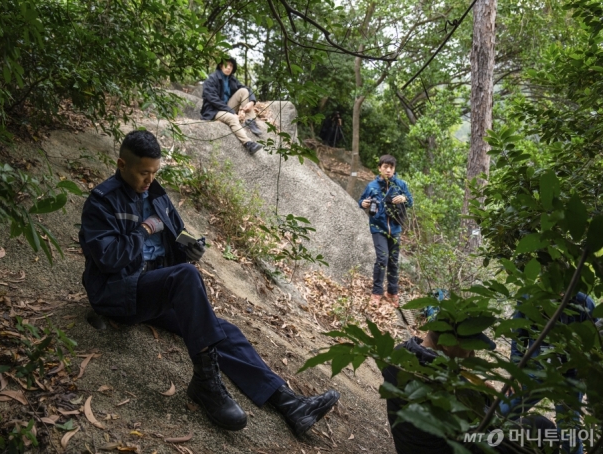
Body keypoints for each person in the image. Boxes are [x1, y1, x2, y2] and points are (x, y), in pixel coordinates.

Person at [79, 130, 339, 434]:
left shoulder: (156, 194)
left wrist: (190, 248)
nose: (149, 180)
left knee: (222, 329)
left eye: (154, 172)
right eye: (143, 173)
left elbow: (176, 238)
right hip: (118, 292)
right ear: (122, 165)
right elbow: (108, 257)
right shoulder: (102, 201)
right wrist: (144, 231)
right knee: (187, 278)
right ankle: (205, 383)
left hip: (155, 288)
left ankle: (288, 403)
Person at [381, 311, 557, 454]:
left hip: (416, 446)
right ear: (448, 344)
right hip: (456, 448)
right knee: (542, 428)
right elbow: (486, 418)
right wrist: (482, 395)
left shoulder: (401, 354)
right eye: (470, 347)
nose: (472, 355)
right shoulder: (444, 382)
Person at [499, 292, 599, 454]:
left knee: (569, 432)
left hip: (569, 376)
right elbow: (519, 337)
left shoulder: (584, 302)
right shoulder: (529, 298)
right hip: (534, 370)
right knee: (504, 412)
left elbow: (592, 342)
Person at [358, 155, 413, 308]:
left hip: (395, 228)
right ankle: (376, 293)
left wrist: (403, 198)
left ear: (394, 169)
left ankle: (392, 292)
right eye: (385, 167)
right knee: (382, 259)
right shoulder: (372, 186)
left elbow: (410, 201)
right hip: (378, 228)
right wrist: (363, 203)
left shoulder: (401, 185)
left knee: (394, 261)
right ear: (379, 168)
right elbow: (361, 202)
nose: (388, 170)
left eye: (391, 167)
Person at [200, 56, 264, 155]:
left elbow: (246, 89)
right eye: (227, 64)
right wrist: (232, 112)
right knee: (232, 118)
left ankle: (249, 120)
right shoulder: (211, 79)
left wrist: (252, 102)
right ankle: (248, 143)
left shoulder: (231, 79)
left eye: (231, 65)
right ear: (221, 65)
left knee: (243, 91)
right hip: (214, 111)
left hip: (227, 107)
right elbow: (213, 100)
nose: (229, 67)